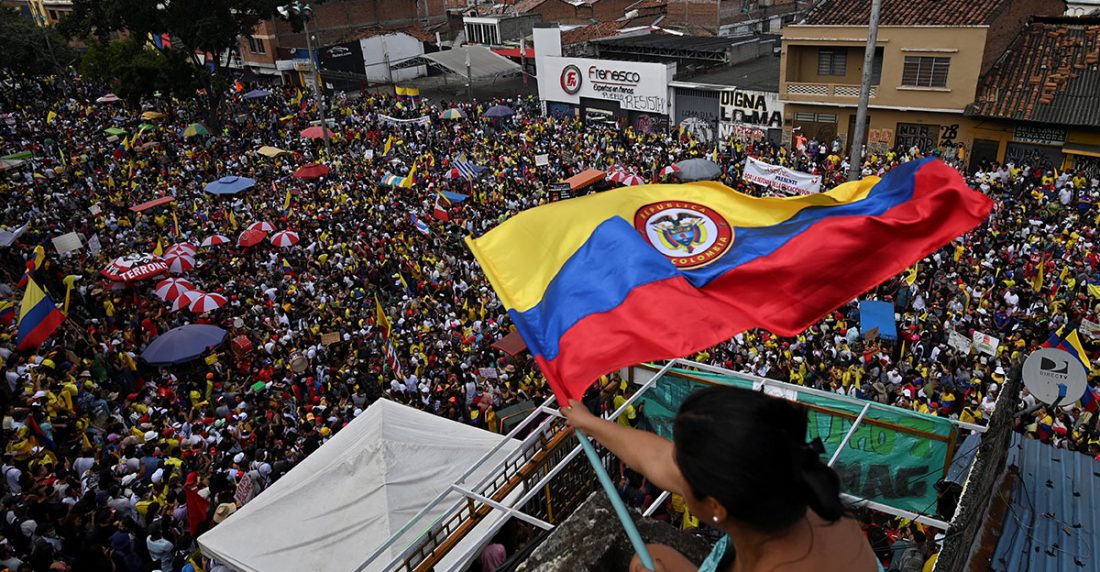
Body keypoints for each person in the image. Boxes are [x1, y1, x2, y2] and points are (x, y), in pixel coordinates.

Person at [562, 386, 879, 572]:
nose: (674, 465)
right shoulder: (791, 487)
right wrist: (589, 423)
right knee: (651, 559)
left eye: (683, 465)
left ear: (716, 506)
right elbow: (655, 458)